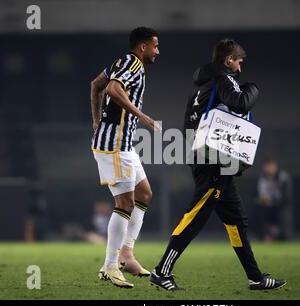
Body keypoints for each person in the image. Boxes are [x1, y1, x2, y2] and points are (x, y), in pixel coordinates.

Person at [149, 39, 286, 291]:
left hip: (205, 156)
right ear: (228, 60)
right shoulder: (224, 79)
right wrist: (253, 88)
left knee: (236, 221)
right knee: (196, 216)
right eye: (238, 62)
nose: (240, 68)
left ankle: (255, 277)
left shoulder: (201, 86)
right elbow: (241, 102)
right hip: (214, 161)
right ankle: (161, 271)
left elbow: (191, 124)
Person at [90, 27, 161, 288]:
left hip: (125, 144)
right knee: (125, 203)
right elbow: (111, 89)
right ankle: (110, 266)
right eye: (155, 46)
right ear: (143, 47)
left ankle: (127, 254)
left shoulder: (122, 62)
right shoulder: (133, 63)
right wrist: (141, 115)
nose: (157, 51)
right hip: (114, 145)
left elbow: (95, 85)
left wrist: (96, 119)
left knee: (144, 194)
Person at [254, 158, 293, 241]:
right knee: (258, 210)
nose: (269, 168)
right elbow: (256, 193)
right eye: (267, 166)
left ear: (275, 166)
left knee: (283, 213)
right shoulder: (262, 178)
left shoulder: (283, 177)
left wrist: (273, 200)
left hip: (280, 205)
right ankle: (264, 236)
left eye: (271, 166)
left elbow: (286, 197)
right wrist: (261, 199)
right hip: (265, 206)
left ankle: (280, 236)